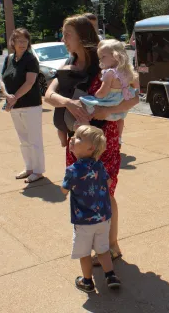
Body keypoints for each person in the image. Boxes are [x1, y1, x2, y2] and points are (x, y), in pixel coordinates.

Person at [44, 14, 139, 266]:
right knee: (84, 193)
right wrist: (68, 103)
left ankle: (111, 246)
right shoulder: (69, 64)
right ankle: (93, 245)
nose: (63, 39)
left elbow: (135, 95)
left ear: (82, 37)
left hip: (103, 139)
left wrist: (106, 112)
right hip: (78, 141)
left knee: (105, 192)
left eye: (68, 34)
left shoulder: (106, 63)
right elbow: (49, 94)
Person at [60, 125, 121, 293]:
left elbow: (64, 190)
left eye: (78, 137)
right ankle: (110, 276)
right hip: (103, 218)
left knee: (84, 252)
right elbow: (108, 182)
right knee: (102, 249)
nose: (72, 138)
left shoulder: (73, 170)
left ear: (91, 148)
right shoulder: (100, 166)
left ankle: (87, 281)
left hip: (83, 220)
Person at [0, 28, 46, 184]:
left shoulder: (31, 59)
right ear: (12, 42)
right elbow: (2, 80)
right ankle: (29, 168)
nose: (22, 44)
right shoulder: (9, 59)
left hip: (30, 105)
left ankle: (38, 170)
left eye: (25, 41)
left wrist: (14, 98)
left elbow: (30, 82)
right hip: (15, 106)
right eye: (19, 41)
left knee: (34, 139)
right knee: (23, 140)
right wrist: (6, 95)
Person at [76, 40, 138, 142]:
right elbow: (136, 88)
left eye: (103, 57)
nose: (100, 60)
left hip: (108, 104)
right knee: (120, 120)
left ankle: (83, 128)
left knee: (84, 102)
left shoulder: (110, 73)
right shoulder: (127, 72)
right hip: (120, 108)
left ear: (115, 56)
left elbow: (103, 92)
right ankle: (119, 137)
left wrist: (95, 95)